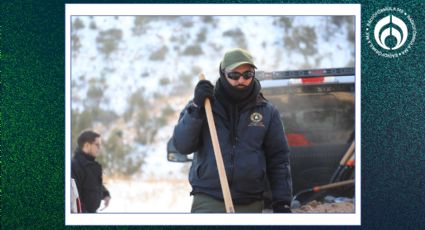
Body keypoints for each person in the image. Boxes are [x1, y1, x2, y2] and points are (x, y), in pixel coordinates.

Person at [172, 48, 292, 213]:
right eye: (234, 75)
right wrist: (196, 107)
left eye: (247, 75)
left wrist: (282, 203)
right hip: (209, 199)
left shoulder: (266, 111)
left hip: (251, 202)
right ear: (223, 73)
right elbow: (182, 145)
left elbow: (278, 160)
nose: (241, 80)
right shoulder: (205, 105)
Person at [71, 130, 111, 213]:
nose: (99, 148)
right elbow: (73, 197)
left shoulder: (94, 166)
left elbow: (94, 185)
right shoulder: (74, 166)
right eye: (97, 145)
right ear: (87, 145)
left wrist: (106, 194)